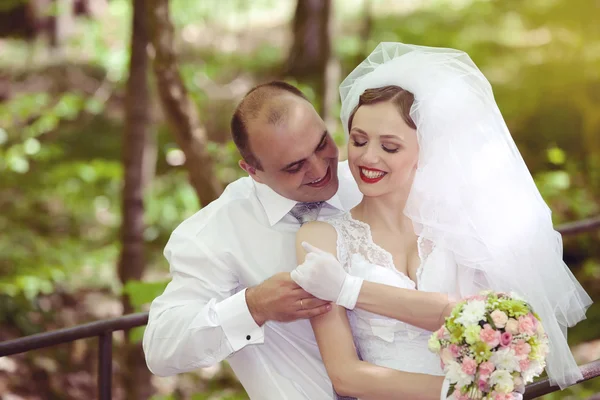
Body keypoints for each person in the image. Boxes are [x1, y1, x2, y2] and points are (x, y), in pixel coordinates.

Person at [291, 42, 593, 399]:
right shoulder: (321, 237)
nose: (367, 157)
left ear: (427, 150)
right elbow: (345, 376)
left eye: (390, 147)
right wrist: (469, 392)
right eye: (358, 141)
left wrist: (349, 289)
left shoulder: (463, 229)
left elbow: (489, 325)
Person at [143, 80, 453, 400]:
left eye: (322, 145)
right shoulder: (213, 234)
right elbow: (160, 349)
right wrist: (253, 306)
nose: (320, 170)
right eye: (294, 166)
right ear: (253, 170)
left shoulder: (371, 177)